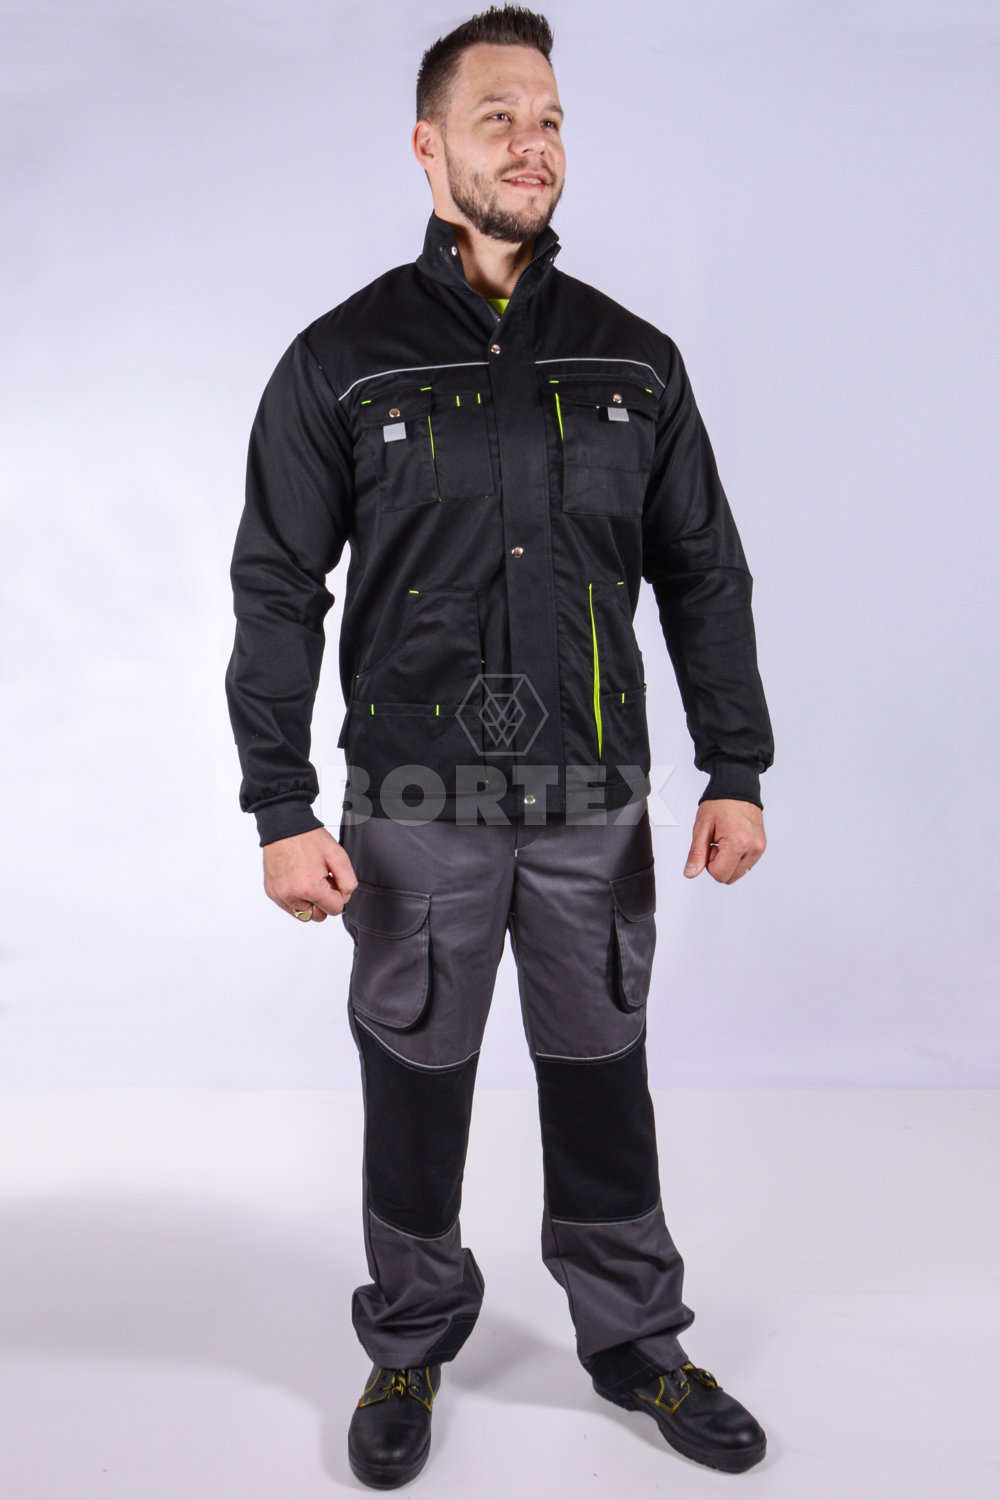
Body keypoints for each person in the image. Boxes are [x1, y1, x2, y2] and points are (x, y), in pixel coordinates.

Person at [224, 5, 774, 1487]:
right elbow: (277, 585)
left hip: (595, 804)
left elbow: (704, 574)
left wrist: (736, 768)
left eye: (549, 120)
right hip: (413, 808)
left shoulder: (634, 359)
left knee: (602, 1074)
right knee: (416, 1078)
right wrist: (280, 804)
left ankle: (635, 1342)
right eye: (497, 119)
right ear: (428, 147)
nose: (532, 145)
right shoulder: (343, 362)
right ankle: (409, 1339)